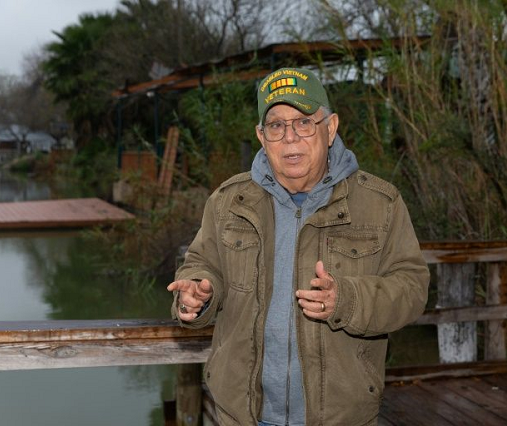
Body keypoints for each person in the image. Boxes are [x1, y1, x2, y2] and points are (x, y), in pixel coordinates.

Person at [168, 67, 429, 426]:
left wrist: (348, 301)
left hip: (341, 418)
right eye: (276, 126)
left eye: (304, 122)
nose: (290, 138)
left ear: (331, 127)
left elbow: (412, 288)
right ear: (261, 136)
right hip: (242, 415)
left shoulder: (380, 203)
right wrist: (198, 295)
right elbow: (201, 265)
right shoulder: (227, 201)